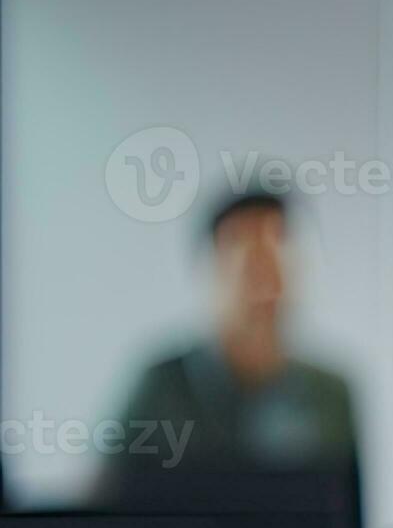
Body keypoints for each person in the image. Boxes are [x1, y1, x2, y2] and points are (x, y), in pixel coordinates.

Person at [102, 188, 358, 485]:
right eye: (251, 268)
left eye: (277, 265)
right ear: (212, 271)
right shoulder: (161, 388)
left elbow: (347, 517)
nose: (265, 288)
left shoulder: (332, 396)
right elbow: (105, 507)